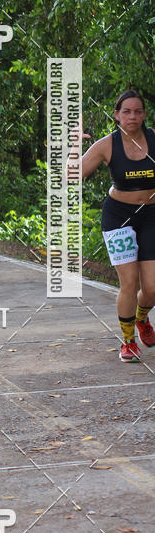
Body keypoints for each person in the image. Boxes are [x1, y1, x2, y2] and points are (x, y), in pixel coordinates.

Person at [80, 90, 155, 362]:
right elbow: (72, 173)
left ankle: (142, 318)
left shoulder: (154, 139)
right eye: (126, 112)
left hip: (151, 216)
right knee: (129, 283)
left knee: (152, 286)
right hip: (119, 217)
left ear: (144, 114)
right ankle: (128, 342)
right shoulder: (106, 145)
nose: (132, 116)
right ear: (116, 115)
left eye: (137, 111)